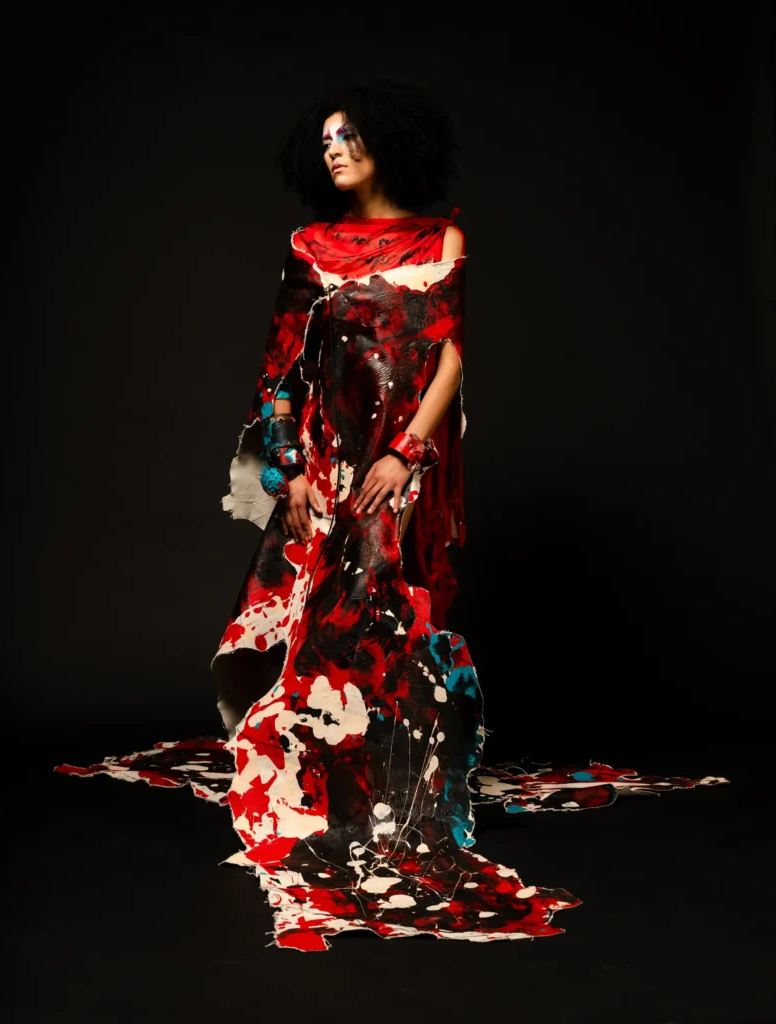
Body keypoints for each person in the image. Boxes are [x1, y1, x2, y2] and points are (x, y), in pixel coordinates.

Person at [208, 75, 581, 950]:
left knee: (390, 616)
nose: (335, 150)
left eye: (349, 136)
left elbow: (450, 358)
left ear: (388, 142)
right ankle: (322, 784)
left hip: (397, 464)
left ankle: (395, 788)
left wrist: (406, 452)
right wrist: (287, 472)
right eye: (324, 140)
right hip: (323, 462)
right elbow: (279, 369)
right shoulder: (308, 247)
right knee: (318, 624)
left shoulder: (441, 239)